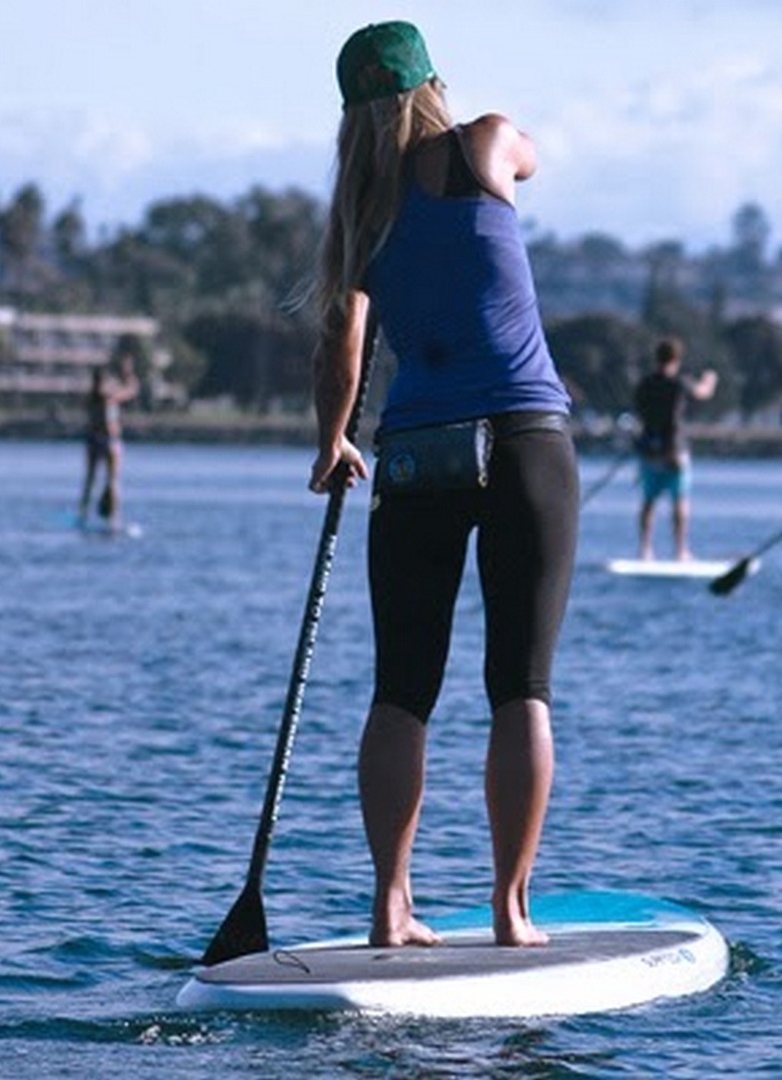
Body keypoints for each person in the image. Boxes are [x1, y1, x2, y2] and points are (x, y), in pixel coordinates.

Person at [308, 21, 578, 949]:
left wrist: (333, 442)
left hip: (416, 450)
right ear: (434, 87)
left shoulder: (360, 212)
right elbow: (533, 160)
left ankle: (391, 906)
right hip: (525, 438)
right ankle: (509, 911)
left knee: (402, 690)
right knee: (521, 687)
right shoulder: (485, 142)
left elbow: (344, 343)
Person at [633, 338, 717, 560]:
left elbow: (640, 411)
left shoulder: (646, 384)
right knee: (679, 500)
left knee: (649, 501)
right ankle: (680, 551)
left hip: (650, 450)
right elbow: (703, 393)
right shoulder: (679, 383)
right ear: (677, 359)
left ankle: (645, 549)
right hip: (675, 451)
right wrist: (710, 379)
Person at [78, 351, 139, 528]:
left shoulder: (92, 398)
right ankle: (113, 519)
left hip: (97, 441)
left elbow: (130, 391)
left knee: (93, 481)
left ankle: (85, 515)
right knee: (110, 481)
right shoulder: (109, 397)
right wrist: (128, 373)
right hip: (107, 441)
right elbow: (131, 390)